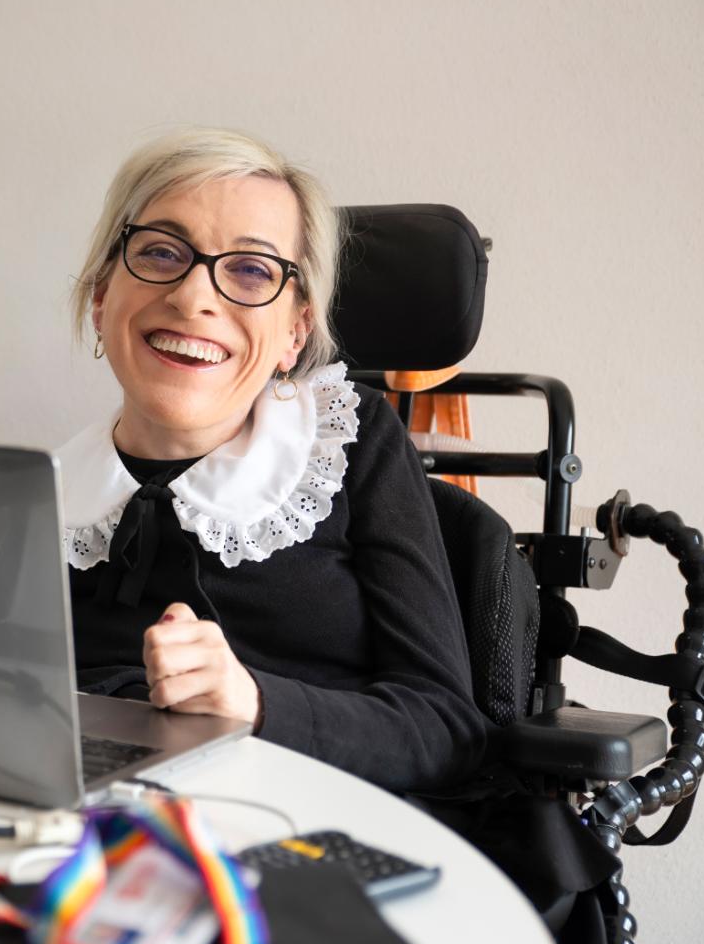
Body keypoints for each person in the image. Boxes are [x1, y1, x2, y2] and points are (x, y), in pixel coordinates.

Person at [58, 127, 486, 795]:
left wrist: (254, 702)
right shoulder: (43, 497)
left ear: (295, 333)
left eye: (252, 270)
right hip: (96, 842)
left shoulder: (351, 443)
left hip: (318, 841)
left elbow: (445, 733)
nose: (194, 297)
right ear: (101, 294)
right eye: (163, 252)